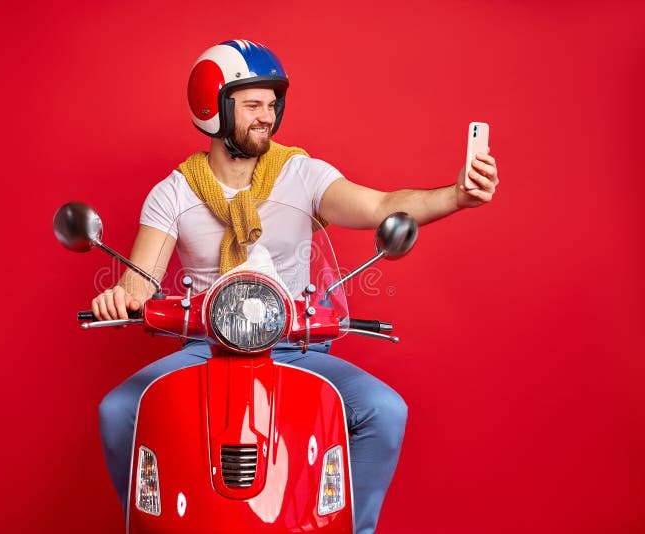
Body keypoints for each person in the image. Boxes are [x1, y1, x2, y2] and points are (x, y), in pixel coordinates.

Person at [94, 39, 498, 533]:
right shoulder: (173, 193)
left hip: (294, 343)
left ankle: (357, 527)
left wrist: (457, 195)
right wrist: (123, 297)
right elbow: (140, 280)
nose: (267, 116)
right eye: (252, 105)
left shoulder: (301, 173)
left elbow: (379, 206)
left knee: (385, 410)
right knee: (118, 411)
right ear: (213, 109)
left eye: (272, 104)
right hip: (204, 347)